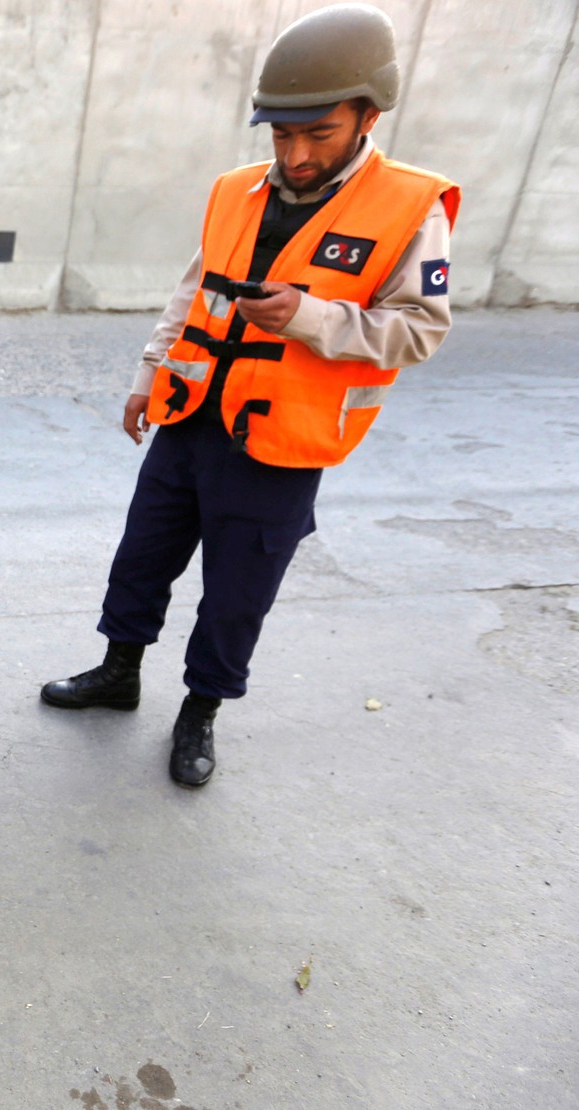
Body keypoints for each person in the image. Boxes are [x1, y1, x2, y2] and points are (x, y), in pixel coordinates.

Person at [39, 4, 460, 788]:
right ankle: (118, 670)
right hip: (192, 415)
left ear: (367, 116)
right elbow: (192, 290)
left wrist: (307, 318)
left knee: (236, 595)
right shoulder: (236, 190)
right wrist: (146, 373)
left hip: (283, 442)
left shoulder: (410, 207)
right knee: (141, 559)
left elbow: (418, 331)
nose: (296, 154)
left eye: (318, 135)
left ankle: (200, 711)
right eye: (281, 135)